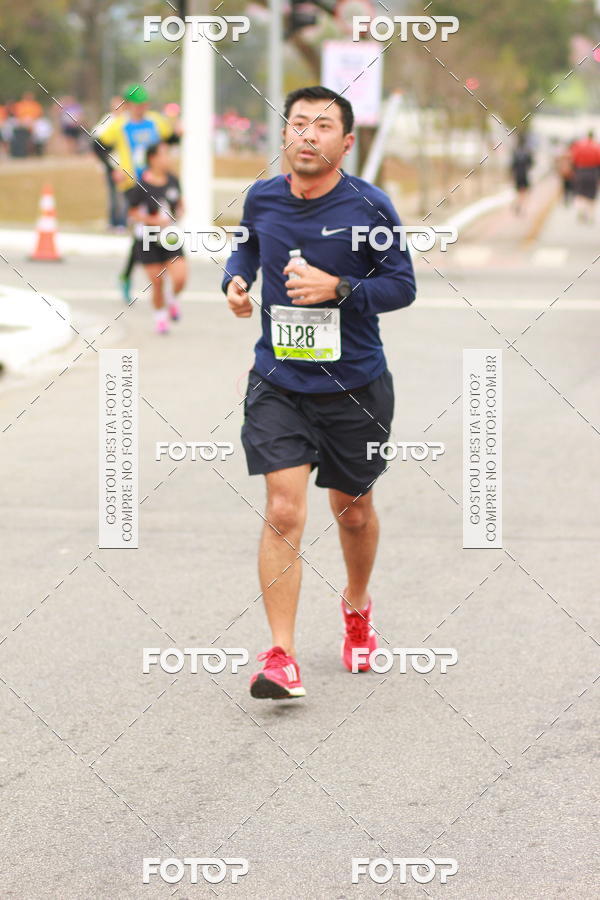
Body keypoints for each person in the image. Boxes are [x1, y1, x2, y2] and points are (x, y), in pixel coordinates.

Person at [223, 85, 416, 700]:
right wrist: (234, 281)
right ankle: (280, 654)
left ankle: (357, 607)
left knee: (351, 511)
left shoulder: (370, 206)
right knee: (283, 509)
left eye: (323, 126)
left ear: (346, 142)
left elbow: (402, 287)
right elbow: (248, 245)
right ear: (284, 135)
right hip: (278, 380)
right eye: (298, 123)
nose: (307, 134)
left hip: (355, 385)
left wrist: (340, 287)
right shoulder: (264, 195)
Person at [91, 84, 178, 298]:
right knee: (146, 227)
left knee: (145, 231)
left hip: (156, 182)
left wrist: (177, 135)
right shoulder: (119, 125)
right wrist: (113, 169)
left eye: (144, 104)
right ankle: (144, 276)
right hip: (133, 184)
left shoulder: (156, 121)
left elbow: (171, 139)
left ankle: (132, 275)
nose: (141, 108)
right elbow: (97, 146)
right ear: (128, 105)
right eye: (137, 105)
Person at [126, 142, 187, 334]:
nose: (167, 159)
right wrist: (151, 220)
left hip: (169, 237)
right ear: (152, 158)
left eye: (168, 155)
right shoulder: (141, 185)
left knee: (180, 277)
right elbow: (133, 213)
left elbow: (178, 204)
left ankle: (172, 298)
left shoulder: (173, 180)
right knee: (157, 281)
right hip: (147, 239)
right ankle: (160, 318)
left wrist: (180, 211)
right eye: (163, 155)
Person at [570, 131, 600, 224]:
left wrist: (574, 170)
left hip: (581, 171)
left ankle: (581, 210)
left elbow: (574, 159)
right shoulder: (597, 147)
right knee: (591, 195)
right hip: (593, 172)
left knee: (580, 193)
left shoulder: (579, 145)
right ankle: (590, 215)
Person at [510, 134, 533, 215]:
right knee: (525, 192)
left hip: (517, 175)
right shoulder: (527, 151)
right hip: (524, 174)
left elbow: (512, 165)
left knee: (519, 192)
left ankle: (518, 204)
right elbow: (531, 164)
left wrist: (511, 175)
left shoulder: (515, 151)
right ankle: (522, 207)